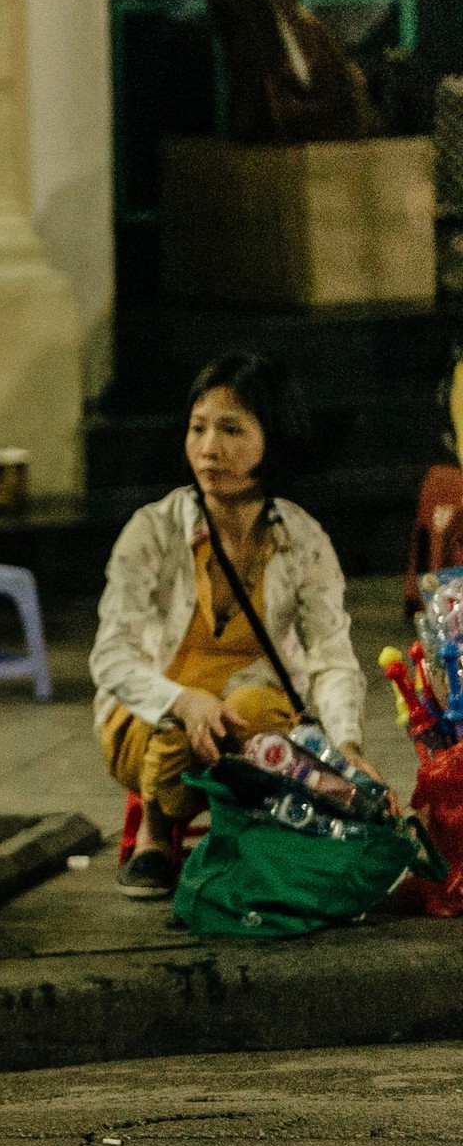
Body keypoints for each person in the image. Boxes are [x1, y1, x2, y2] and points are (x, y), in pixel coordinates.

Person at [92, 353, 382, 899]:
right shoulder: (151, 530)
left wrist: (346, 743)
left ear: (274, 436)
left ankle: (249, 836)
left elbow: (330, 655)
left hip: (248, 719)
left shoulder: (302, 539)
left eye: (231, 429)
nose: (208, 448)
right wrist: (183, 701)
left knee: (255, 714)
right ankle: (154, 829)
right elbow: (110, 656)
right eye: (198, 428)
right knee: (178, 731)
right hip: (147, 722)